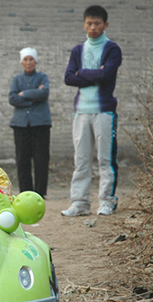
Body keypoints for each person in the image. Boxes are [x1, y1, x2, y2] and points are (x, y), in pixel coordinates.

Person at [61, 5, 122, 217]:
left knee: (105, 159)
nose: (93, 27)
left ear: (105, 25)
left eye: (97, 23)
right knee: (81, 160)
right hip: (81, 112)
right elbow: (69, 77)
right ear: (84, 24)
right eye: (89, 23)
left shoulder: (112, 49)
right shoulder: (78, 50)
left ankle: (106, 201)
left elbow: (106, 76)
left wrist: (83, 72)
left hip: (104, 111)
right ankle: (80, 203)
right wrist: (95, 73)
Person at [8, 47, 52, 199]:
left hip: (40, 124)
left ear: (36, 61)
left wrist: (25, 94)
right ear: (21, 62)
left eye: (31, 59)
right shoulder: (16, 79)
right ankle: (25, 192)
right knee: (22, 159)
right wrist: (33, 98)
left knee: (41, 158)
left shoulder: (42, 77)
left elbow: (44, 93)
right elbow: (12, 98)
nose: (28, 62)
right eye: (25, 59)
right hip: (20, 124)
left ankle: (40, 192)